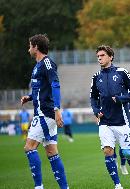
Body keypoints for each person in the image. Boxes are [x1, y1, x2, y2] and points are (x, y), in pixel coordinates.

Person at [90, 45, 130, 189]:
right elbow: (93, 98)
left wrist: (121, 98)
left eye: (102, 55)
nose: (99, 58)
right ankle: (117, 185)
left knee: (126, 153)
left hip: (122, 121)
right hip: (105, 122)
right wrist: (96, 110)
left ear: (110, 57)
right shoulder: (96, 77)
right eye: (98, 56)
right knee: (108, 151)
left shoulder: (122, 72)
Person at [21, 34, 69, 189]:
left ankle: (38, 187)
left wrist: (57, 109)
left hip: (45, 114)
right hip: (45, 113)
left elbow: (55, 85)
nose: (28, 49)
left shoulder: (47, 63)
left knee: (29, 147)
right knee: (51, 151)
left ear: (36, 47)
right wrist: (29, 97)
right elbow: (43, 89)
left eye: (30, 45)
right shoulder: (38, 65)